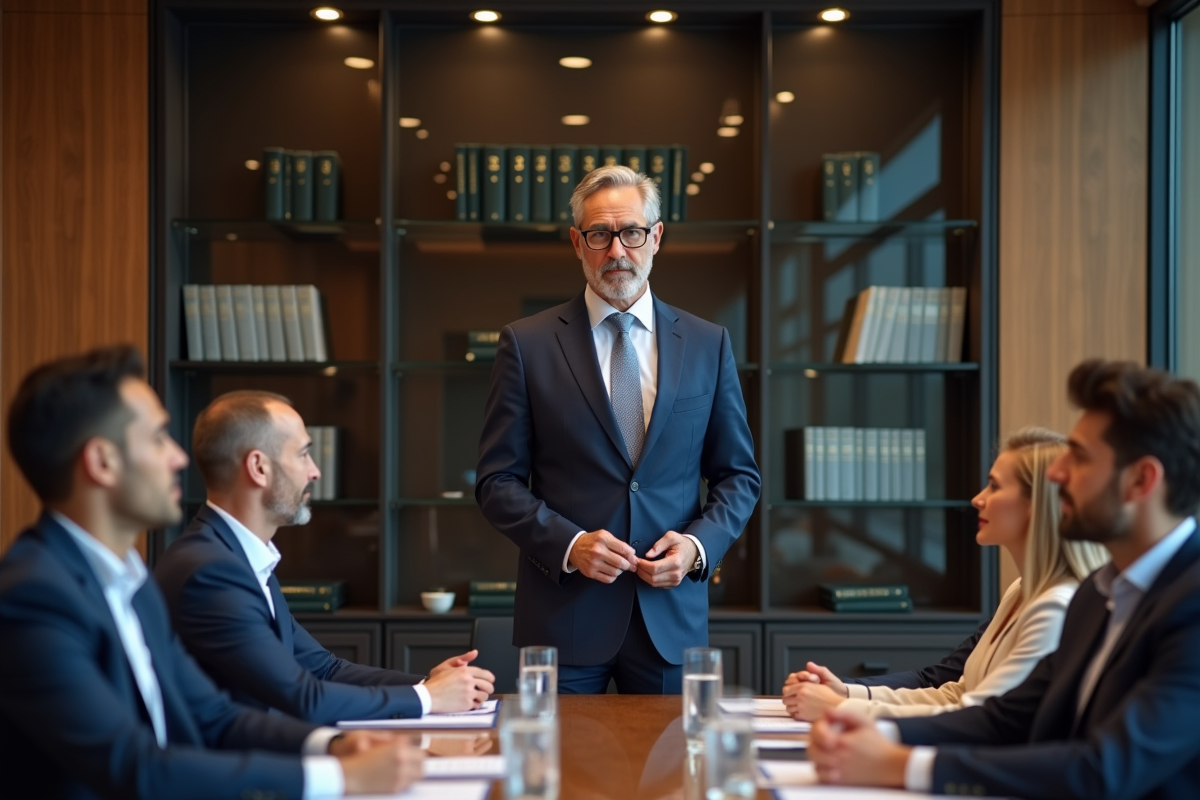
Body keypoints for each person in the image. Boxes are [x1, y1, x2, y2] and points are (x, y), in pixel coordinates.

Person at [0, 346, 422, 800]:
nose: (180, 458)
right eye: (158, 438)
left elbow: (213, 715)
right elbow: (135, 766)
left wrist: (332, 745)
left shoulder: (132, 581)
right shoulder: (33, 597)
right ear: (102, 461)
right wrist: (339, 777)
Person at [808, 359, 1200, 799]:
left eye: (1080, 457)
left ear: (1141, 481)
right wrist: (874, 729)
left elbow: (1102, 769)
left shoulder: (1190, 605)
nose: (1057, 474)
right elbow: (1006, 718)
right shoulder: (1096, 595)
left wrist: (901, 764)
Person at [475, 165, 761, 694]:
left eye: (631, 232)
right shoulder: (526, 344)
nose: (616, 251)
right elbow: (497, 481)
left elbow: (739, 476)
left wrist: (697, 548)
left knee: (671, 753)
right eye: (599, 235)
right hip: (563, 619)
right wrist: (571, 543)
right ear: (576, 243)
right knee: (559, 751)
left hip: (670, 620)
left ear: (656, 237)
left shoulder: (708, 343)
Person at [154, 391, 495, 725]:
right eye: (303, 454)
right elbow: (303, 698)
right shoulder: (212, 571)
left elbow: (324, 669)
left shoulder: (237, 555)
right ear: (259, 467)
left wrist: (429, 684)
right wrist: (428, 697)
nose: (315, 471)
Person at [783, 428, 1109, 720]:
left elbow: (977, 717)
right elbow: (957, 693)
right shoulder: (1021, 591)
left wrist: (839, 707)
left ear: (1035, 505)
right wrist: (846, 694)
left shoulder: (1055, 607)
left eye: (994, 486)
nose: (977, 499)